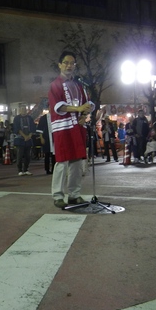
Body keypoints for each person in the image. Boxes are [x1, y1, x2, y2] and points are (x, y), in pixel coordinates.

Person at [49, 52, 94, 209]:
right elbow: (58, 106)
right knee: (61, 161)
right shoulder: (55, 84)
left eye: (72, 63)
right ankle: (58, 195)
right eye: (66, 62)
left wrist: (84, 114)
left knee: (76, 161)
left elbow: (86, 103)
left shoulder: (78, 85)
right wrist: (79, 108)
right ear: (60, 64)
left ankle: (74, 195)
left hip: (76, 126)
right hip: (62, 127)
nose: (69, 65)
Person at [13, 104, 35, 175]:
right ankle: (20, 170)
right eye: (22, 109)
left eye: (24, 109)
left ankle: (26, 169)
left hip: (28, 139)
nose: (23, 110)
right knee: (20, 155)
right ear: (20, 110)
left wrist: (29, 136)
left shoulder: (30, 118)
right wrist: (24, 136)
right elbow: (17, 129)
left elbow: (32, 128)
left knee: (28, 156)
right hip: (20, 139)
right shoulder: (16, 118)